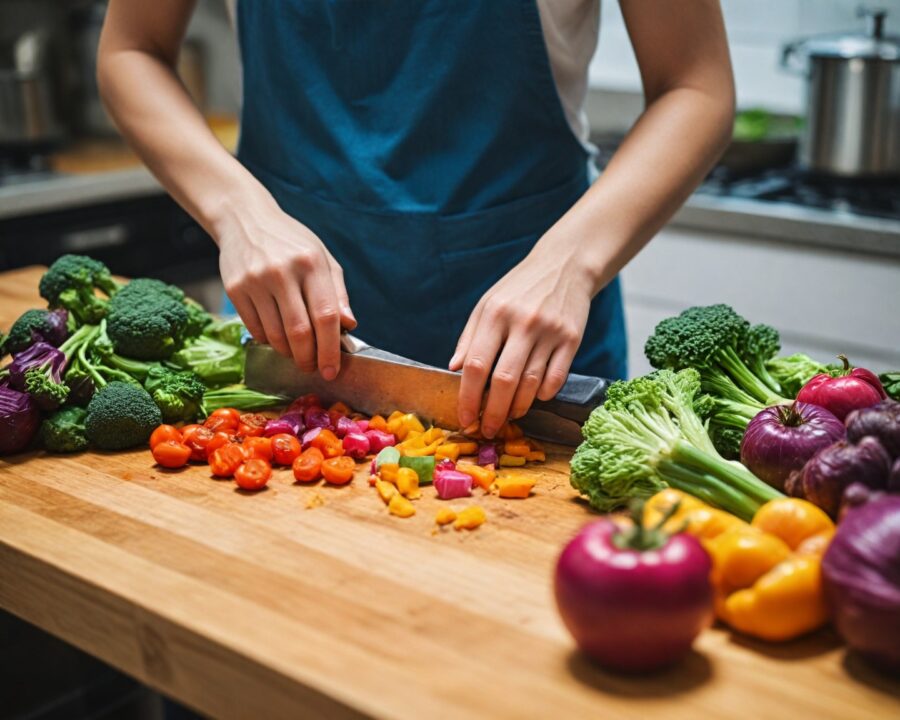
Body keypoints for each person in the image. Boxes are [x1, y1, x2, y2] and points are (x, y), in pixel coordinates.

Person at [97, 1, 734, 439]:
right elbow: (132, 49)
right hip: (289, 325)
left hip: (532, 326)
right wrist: (240, 215)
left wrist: (569, 263)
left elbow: (695, 85)